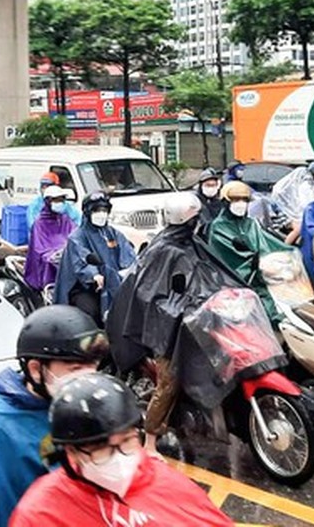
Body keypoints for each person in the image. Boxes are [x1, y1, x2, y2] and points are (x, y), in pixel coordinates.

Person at [0, 306, 108, 527]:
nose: (86, 381)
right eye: (75, 370)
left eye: (92, 369)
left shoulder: (92, 407)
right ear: (36, 369)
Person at [106, 192, 241, 452]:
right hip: (166, 328)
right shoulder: (163, 250)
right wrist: (182, 305)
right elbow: (151, 294)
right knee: (169, 382)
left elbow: (211, 273)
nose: (199, 223)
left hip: (194, 320)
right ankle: (151, 441)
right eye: (195, 219)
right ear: (186, 221)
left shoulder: (192, 242)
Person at [8, 373, 233, 527]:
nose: (118, 457)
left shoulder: (169, 485)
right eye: (101, 448)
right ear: (72, 451)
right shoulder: (42, 512)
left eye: (126, 441)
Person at [206, 180, 291, 323]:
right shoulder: (218, 227)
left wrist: (287, 253)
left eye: (244, 200)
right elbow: (230, 257)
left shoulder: (251, 223)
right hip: (234, 284)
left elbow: (264, 244)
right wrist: (253, 261)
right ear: (226, 202)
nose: (241, 203)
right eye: (235, 200)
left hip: (259, 279)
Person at [53, 193, 137, 325]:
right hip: (85, 287)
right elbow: (82, 259)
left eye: (104, 210)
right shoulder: (77, 237)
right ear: (88, 212)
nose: (101, 214)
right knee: (91, 313)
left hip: (114, 282)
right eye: (97, 210)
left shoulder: (113, 233)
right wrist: (94, 274)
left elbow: (128, 254)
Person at [24, 185, 77, 295]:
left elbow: (77, 235)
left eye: (62, 199)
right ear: (48, 201)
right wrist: (55, 254)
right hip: (48, 260)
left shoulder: (65, 219)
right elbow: (40, 249)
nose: (60, 203)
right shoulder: (39, 223)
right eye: (56, 200)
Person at [192, 168, 224, 233]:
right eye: (208, 185)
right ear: (201, 186)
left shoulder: (220, 202)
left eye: (213, 185)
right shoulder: (195, 202)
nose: (211, 188)